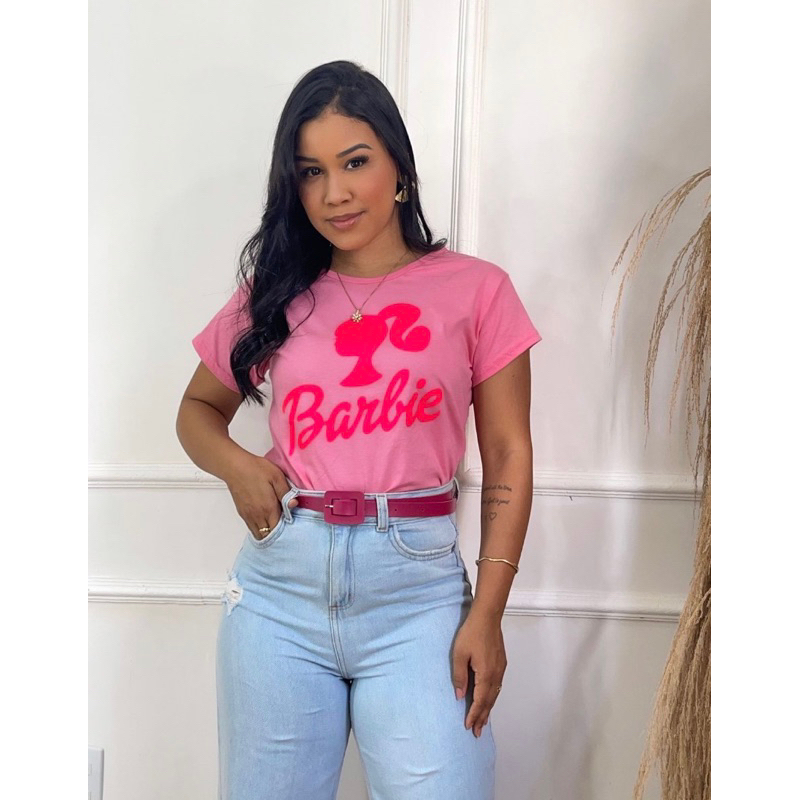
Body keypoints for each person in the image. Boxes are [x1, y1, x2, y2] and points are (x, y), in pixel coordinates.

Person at [176, 59, 542, 800]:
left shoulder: (477, 290)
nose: (334, 193)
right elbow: (196, 412)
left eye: (354, 162)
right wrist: (240, 467)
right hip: (278, 594)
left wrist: (489, 612)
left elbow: (508, 453)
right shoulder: (274, 293)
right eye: (310, 172)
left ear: (398, 166)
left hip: (417, 598)